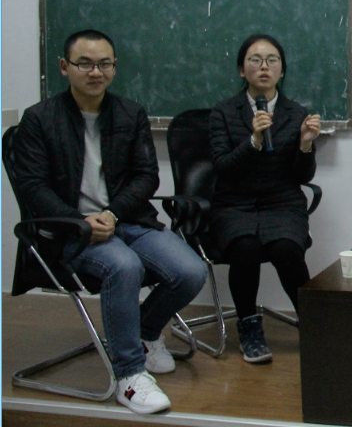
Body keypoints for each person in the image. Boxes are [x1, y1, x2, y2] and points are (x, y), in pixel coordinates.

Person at [13, 30, 208, 414]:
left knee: (190, 271)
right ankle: (129, 376)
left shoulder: (129, 114)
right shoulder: (39, 119)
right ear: (64, 67)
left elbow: (146, 176)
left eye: (104, 64)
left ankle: (145, 334)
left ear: (114, 67)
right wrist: (80, 221)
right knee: (124, 266)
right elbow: (33, 187)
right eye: (85, 64)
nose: (95, 72)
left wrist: (112, 213)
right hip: (70, 231)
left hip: (127, 220)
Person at [209, 34, 321, 364]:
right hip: (235, 203)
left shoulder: (295, 113)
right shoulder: (223, 112)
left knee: (286, 248)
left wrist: (305, 144)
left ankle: (315, 324)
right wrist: (254, 140)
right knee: (244, 248)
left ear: (282, 70)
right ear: (241, 69)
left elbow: (302, 176)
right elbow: (222, 167)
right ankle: (249, 327)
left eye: (272, 60)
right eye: (255, 60)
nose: (264, 67)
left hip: (282, 202)